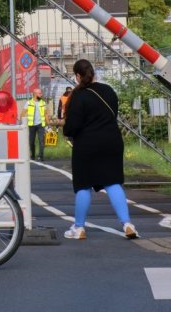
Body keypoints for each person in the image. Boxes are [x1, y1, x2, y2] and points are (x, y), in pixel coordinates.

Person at [62, 59, 138, 240]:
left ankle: (79, 228)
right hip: (112, 141)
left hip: (87, 145)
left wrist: (66, 131)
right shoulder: (109, 91)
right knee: (112, 182)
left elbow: (73, 126)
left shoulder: (78, 96)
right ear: (93, 72)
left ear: (78, 76)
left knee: (83, 185)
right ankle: (127, 224)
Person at [21, 87, 49, 161]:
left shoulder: (43, 103)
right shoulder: (29, 103)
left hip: (41, 125)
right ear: (35, 94)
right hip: (32, 125)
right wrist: (23, 122)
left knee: (41, 141)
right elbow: (23, 113)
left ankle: (41, 156)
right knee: (31, 142)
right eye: (40, 93)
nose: (41, 94)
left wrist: (48, 123)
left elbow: (46, 114)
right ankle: (32, 155)